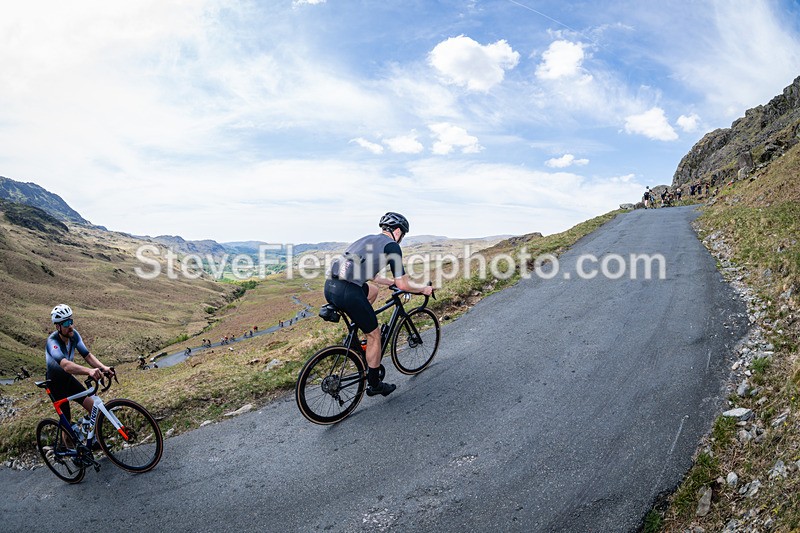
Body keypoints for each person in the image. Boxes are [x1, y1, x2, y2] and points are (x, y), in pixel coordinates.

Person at [325, 212, 434, 397]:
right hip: (349, 292)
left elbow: (371, 276)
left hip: (330, 287)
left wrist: (390, 282)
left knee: (373, 290)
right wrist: (423, 289)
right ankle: (374, 384)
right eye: (403, 235)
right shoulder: (391, 246)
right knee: (375, 335)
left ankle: (356, 338)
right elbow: (403, 285)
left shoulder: (368, 239)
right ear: (398, 231)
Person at [45, 304, 114, 424]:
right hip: (55, 385)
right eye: (66, 324)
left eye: (71, 321)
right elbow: (66, 365)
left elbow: (87, 355)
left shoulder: (74, 335)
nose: (70, 326)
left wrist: (103, 368)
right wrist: (89, 371)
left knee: (94, 410)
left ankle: (92, 438)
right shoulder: (52, 342)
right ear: (58, 326)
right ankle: (67, 440)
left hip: (67, 380)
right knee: (67, 423)